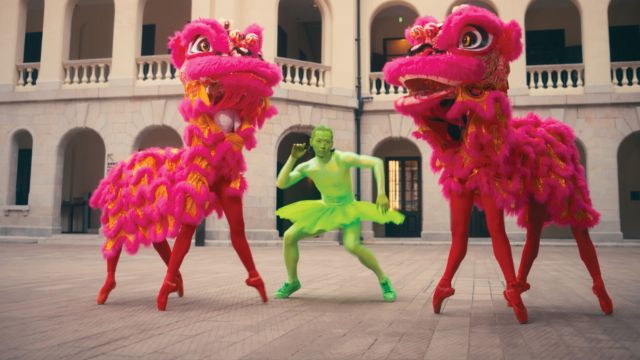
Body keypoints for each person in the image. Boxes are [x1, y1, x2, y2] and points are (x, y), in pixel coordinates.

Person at [275, 125, 404, 302]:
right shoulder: (308, 166)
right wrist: (292, 158)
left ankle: (383, 279)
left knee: (352, 245)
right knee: (289, 236)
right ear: (311, 142)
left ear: (331, 144)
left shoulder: (342, 158)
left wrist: (381, 192)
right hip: (325, 209)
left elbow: (377, 162)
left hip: (347, 209)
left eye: (326, 142)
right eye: (319, 141)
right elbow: (281, 183)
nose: (322, 145)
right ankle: (292, 281)